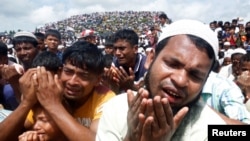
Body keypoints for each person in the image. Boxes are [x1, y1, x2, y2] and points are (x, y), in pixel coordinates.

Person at [96, 19, 226, 141]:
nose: (180, 80)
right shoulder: (116, 109)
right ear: (151, 58)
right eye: (172, 64)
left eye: (195, 75)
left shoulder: (212, 128)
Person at [32, 41, 116, 141]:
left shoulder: (106, 98)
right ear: (60, 71)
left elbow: (97, 139)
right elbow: (24, 126)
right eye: (68, 72)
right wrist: (26, 102)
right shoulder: (50, 90)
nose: (72, 82)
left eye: (84, 76)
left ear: (98, 80)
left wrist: (53, 106)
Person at [103, 29, 147, 94]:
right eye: (115, 48)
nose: (117, 53)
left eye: (122, 48)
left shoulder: (147, 67)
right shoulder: (114, 65)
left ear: (135, 49)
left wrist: (132, 87)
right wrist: (110, 85)